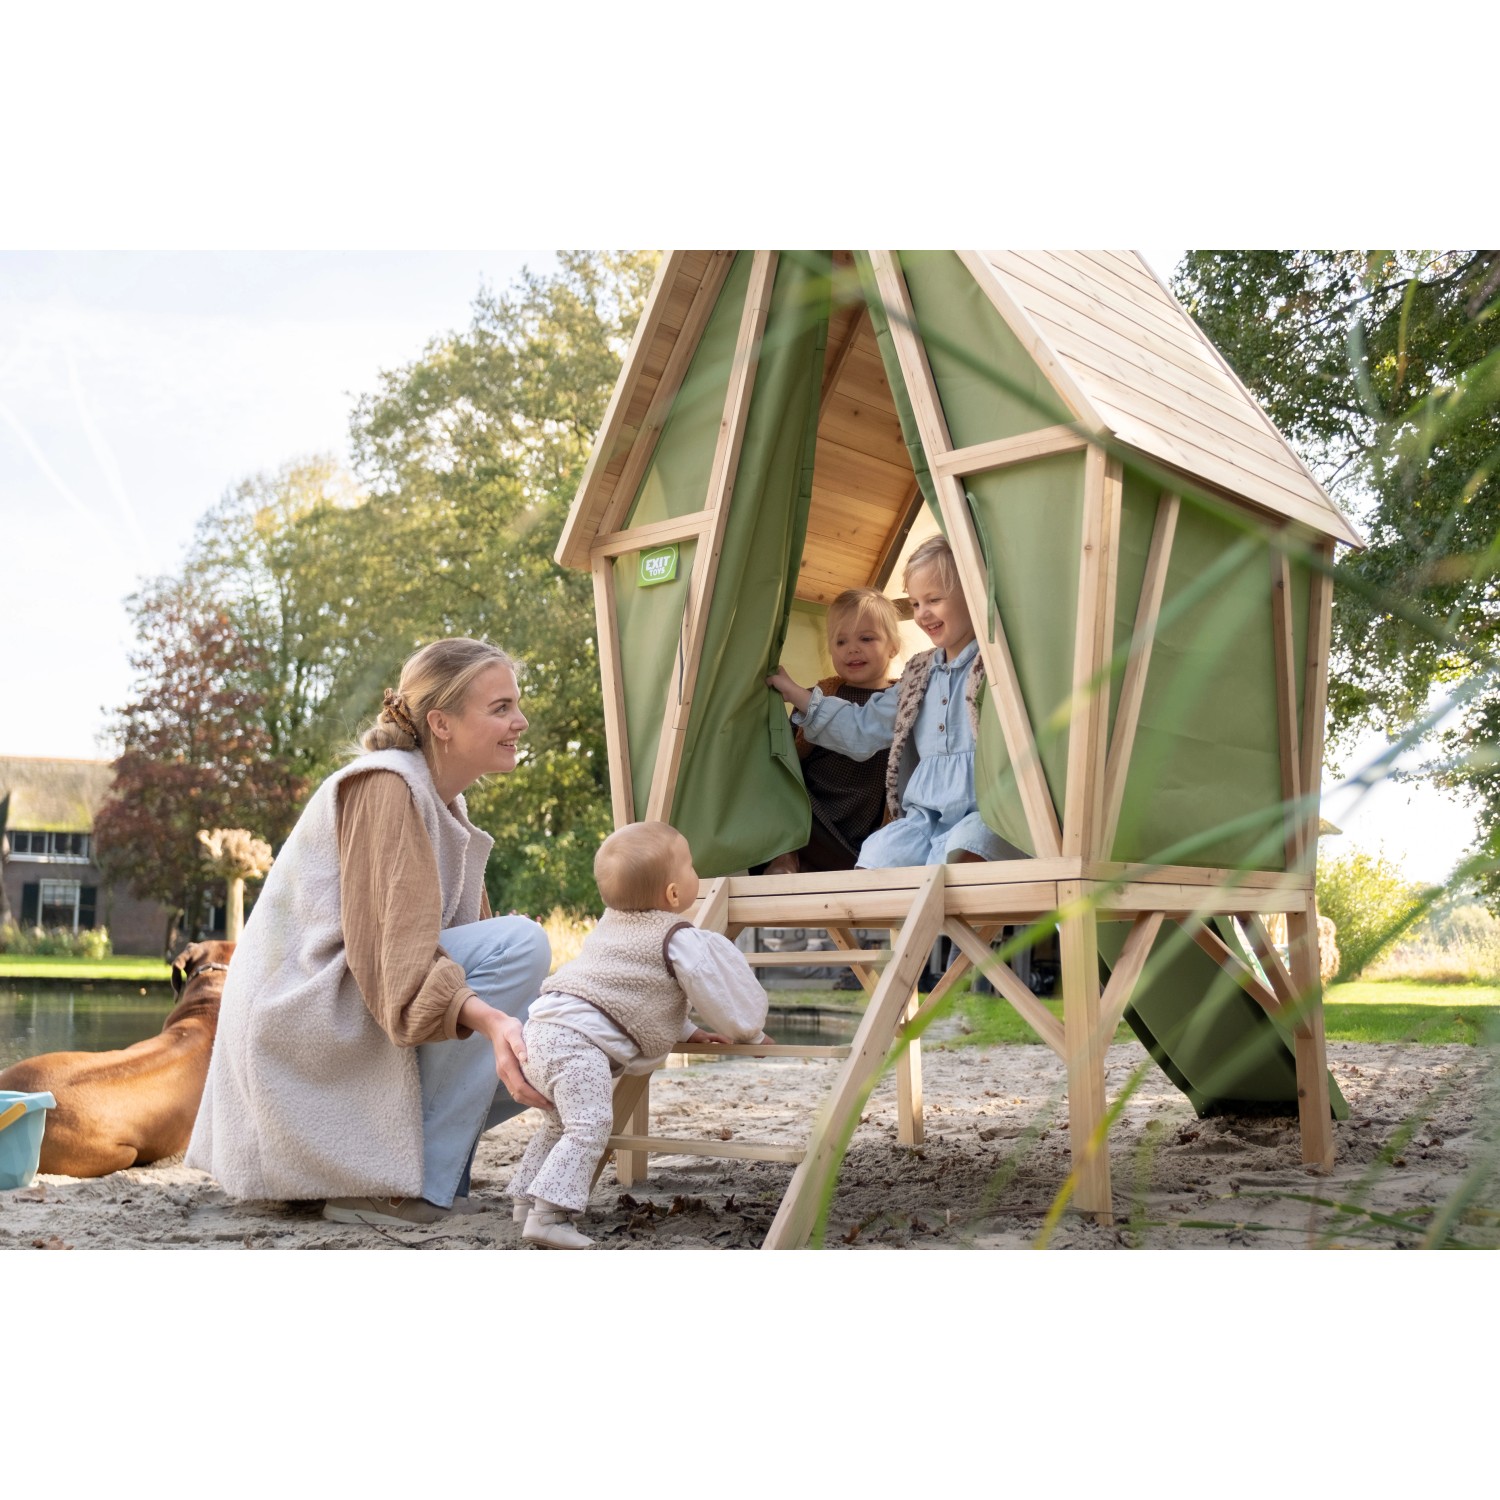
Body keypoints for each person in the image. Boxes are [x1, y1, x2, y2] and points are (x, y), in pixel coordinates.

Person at [186, 637, 554, 1229]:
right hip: (303, 1019)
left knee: (571, 1040)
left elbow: (437, 954)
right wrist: (488, 1017)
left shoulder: (439, 801)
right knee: (523, 947)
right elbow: (389, 957)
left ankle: (421, 1168)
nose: (521, 721)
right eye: (501, 707)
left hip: (360, 1001)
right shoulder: (384, 785)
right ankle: (394, 1186)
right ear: (442, 723)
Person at [508, 820, 770, 1249]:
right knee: (590, 1125)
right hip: (577, 1044)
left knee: (560, 1124)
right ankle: (550, 1217)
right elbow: (712, 989)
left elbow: (636, 992)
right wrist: (752, 1034)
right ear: (672, 894)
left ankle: (525, 1201)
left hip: (542, 1030)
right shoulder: (676, 936)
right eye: (689, 865)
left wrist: (690, 1031)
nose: (695, 873)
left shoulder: (611, 924)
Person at [766, 536, 1016, 868]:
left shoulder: (995, 664)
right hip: (925, 818)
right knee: (878, 855)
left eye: (934, 600)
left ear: (972, 592)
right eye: (914, 604)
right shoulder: (918, 675)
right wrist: (794, 692)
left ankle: (947, 915)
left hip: (984, 810)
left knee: (964, 849)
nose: (923, 614)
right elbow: (862, 728)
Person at [761, 587, 902, 877]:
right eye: (841, 641)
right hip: (813, 817)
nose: (852, 649)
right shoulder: (818, 695)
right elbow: (788, 758)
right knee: (781, 795)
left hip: (862, 831)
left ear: (893, 646)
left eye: (866, 638)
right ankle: (785, 857)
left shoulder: (901, 700)